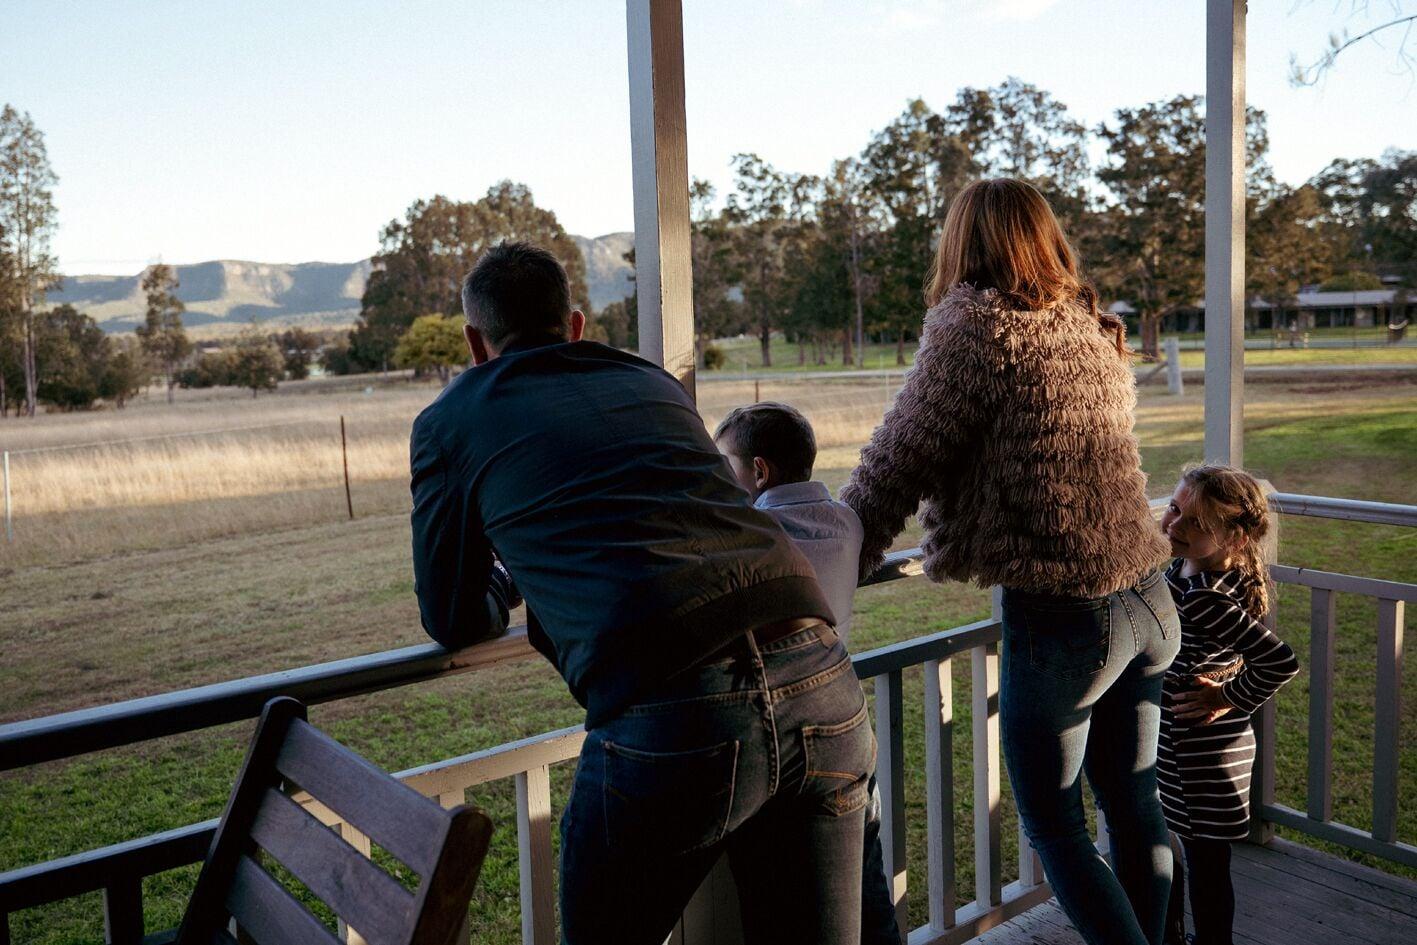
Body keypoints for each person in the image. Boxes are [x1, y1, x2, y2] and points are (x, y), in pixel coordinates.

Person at [410, 242, 874, 945]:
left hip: (679, 711)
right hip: (821, 671)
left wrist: (506, 581)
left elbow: (449, 613)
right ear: (573, 324)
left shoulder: (450, 420)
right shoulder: (649, 381)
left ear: (476, 341)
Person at [841, 178, 1179, 945]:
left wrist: (835, 544)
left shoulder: (974, 321)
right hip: (1149, 598)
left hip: (1067, 613)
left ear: (963, 240)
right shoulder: (1086, 320)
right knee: (1133, 804)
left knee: (1056, 829)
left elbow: (901, 452)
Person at [713, 401, 900, 945]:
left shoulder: (751, 529)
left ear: (760, 471)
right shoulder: (846, 521)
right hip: (844, 711)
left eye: (725, 465)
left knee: (774, 891)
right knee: (864, 883)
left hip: (774, 720)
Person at [1159, 465, 1300, 945]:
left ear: (1234, 538)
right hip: (1202, 745)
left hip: (1199, 752)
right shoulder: (1193, 568)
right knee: (1188, 850)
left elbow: (1280, 662)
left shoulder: (1205, 598)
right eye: (1174, 508)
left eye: (1194, 524)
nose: (1174, 524)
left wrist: (1222, 695)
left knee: (1203, 862)